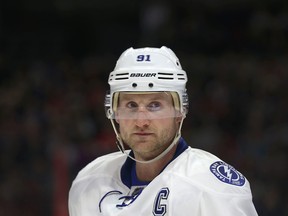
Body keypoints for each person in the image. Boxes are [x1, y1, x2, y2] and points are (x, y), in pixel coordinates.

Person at [68, 46, 258, 216]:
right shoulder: (88, 183)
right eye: (131, 105)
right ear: (114, 112)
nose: (141, 121)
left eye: (155, 105)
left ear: (180, 111)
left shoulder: (211, 189)